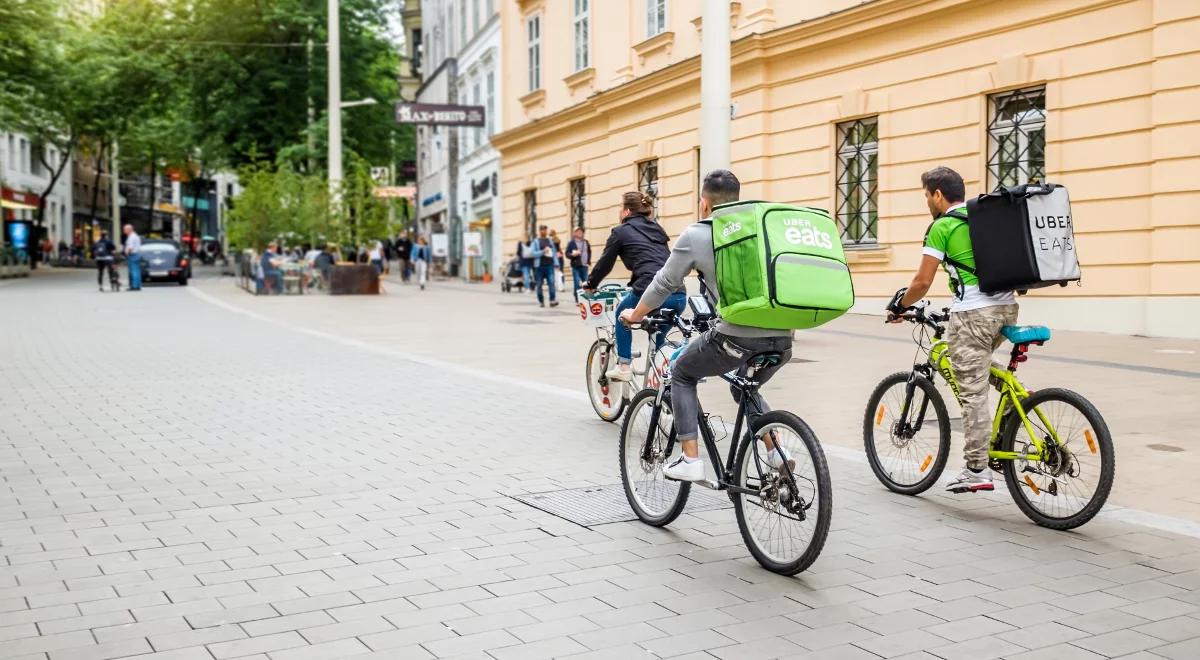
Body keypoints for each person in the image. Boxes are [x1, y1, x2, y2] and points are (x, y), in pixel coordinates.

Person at [619, 170, 793, 482]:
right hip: (783, 338)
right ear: (737, 200)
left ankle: (690, 458)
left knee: (682, 372)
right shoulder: (760, 230)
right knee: (745, 389)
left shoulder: (698, 234)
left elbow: (664, 282)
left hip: (736, 337)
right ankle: (776, 451)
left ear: (704, 204)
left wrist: (635, 314)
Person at [887, 166, 1018, 493]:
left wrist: (901, 306)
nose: (927, 202)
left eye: (927, 196)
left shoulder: (942, 226)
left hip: (973, 315)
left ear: (938, 195)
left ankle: (977, 470)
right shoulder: (982, 219)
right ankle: (1017, 405)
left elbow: (922, 282)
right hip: (1007, 310)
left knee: (972, 393)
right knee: (975, 366)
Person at [585, 192, 685, 381]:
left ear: (627, 211)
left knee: (623, 314)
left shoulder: (620, 232)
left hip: (651, 291)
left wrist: (590, 284)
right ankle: (657, 386)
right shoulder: (657, 229)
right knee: (658, 342)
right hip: (678, 294)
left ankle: (624, 366)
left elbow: (604, 264)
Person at [529, 225, 559, 308]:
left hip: (549, 266)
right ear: (540, 231)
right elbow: (532, 253)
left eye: (545, 230)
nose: (544, 231)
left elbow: (554, 253)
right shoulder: (535, 242)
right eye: (543, 230)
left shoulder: (550, 241)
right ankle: (541, 301)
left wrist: (556, 263)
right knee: (539, 285)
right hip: (539, 267)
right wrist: (542, 251)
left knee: (552, 283)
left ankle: (552, 300)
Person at [566, 227, 592, 300]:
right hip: (576, 266)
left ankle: (586, 298)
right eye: (577, 231)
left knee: (586, 283)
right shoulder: (571, 243)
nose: (580, 233)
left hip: (584, 265)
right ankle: (578, 298)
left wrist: (588, 261)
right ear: (574, 233)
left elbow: (589, 251)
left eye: (581, 231)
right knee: (577, 282)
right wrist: (572, 255)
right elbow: (567, 254)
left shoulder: (586, 242)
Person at [122, 224, 142, 291]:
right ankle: (138, 285)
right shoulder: (135, 236)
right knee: (137, 271)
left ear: (129, 229)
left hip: (132, 255)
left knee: (133, 271)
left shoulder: (131, 237)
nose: (124, 231)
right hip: (137, 254)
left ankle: (134, 286)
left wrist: (127, 254)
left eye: (124, 229)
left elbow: (130, 247)